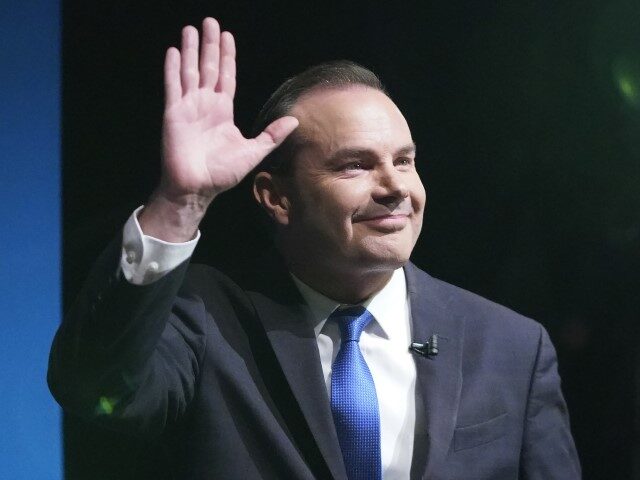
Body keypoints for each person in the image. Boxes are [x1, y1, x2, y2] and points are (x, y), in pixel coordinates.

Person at [48, 17, 581, 480]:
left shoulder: (512, 347)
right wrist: (181, 201)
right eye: (355, 164)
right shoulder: (205, 320)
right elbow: (93, 388)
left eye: (404, 160)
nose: (395, 186)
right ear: (276, 197)